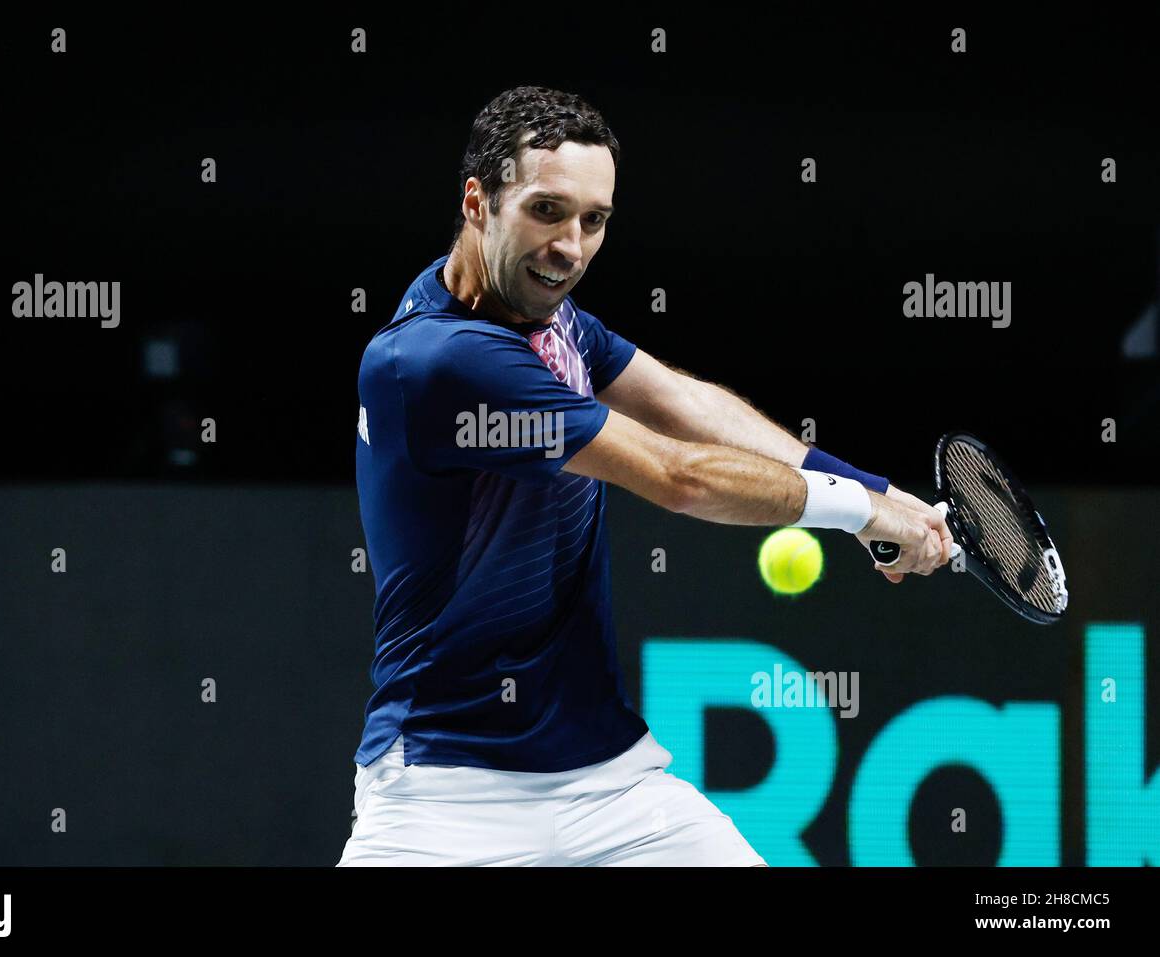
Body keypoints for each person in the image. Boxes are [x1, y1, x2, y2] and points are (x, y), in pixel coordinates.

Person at [339, 86, 951, 866]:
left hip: (612, 790)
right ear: (477, 201)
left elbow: (684, 405)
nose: (571, 247)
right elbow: (679, 474)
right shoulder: (437, 361)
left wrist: (876, 490)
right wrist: (859, 515)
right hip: (443, 797)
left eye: (593, 221)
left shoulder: (545, 314)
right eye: (548, 211)